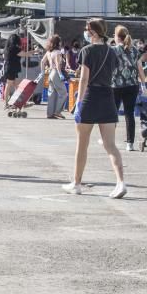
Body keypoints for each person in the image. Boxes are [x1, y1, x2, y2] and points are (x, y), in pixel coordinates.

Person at [63, 18, 126, 199]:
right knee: (110, 145)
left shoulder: (87, 51)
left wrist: (78, 103)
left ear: (94, 32)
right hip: (108, 97)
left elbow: (84, 79)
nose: (85, 31)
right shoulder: (112, 52)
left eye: (87, 29)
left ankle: (76, 183)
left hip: (90, 98)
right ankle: (121, 182)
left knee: (82, 144)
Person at [111, 25, 144, 152]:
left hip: (116, 86)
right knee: (129, 114)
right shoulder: (135, 50)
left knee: (112, 113)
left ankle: (109, 140)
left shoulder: (113, 50)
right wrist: (142, 84)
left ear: (117, 36)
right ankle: (130, 144)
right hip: (132, 86)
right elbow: (140, 68)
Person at [42, 35, 68, 120]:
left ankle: (50, 114)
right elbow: (57, 64)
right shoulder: (57, 52)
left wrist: (42, 72)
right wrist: (60, 74)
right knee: (64, 93)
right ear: (58, 43)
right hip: (56, 73)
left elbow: (42, 62)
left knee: (52, 94)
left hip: (50, 73)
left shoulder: (48, 52)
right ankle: (58, 111)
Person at [2, 33, 24, 108]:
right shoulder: (14, 48)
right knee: (9, 86)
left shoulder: (7, 48)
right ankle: (6, 103)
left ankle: (20, 101)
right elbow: (24, 54)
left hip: (9, 68)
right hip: (12, 68)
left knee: (16, 85)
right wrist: (34, 51)